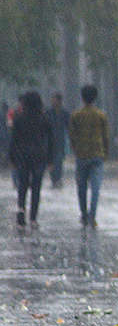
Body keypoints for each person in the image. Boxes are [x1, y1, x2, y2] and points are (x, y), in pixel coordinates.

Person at [8, 91, 53, 228]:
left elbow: (14, 140)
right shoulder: (44, 118)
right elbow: (51, 140)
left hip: (22, 155)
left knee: (23, 185)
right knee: (36, 187)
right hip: (39, 156)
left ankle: (21, 210)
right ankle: (33, 218)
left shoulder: (19, 118)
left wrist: (11, 157)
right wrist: (50, 159)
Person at [69, 85, 109, 228]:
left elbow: (72, 135)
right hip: (97, 154)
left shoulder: (76, 115)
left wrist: (75, 148)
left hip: (82, 155)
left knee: (81, 187)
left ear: (82, 97)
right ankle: (92, 215)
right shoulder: (101, 115)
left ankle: (84, 214)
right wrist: (106, 152)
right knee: (95, 188)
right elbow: (106, 136)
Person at [46, 92, 70, 188]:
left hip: (60, 141)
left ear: (59, 101)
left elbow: (69, 126)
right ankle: (53, 179)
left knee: (59, 161)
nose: (53, 101)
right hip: (49, 141)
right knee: (51, 161)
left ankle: (58, 178)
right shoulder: (48, 112)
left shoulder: (65, 113)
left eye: (54, 99)